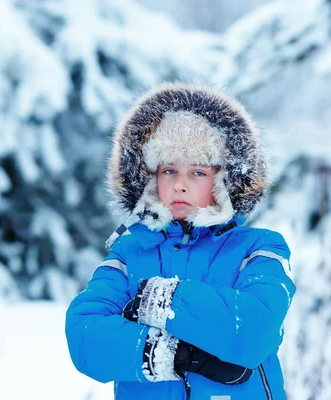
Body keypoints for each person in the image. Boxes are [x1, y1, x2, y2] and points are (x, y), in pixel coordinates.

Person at [65, 82, 296, 400]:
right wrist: (178, 354)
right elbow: (85, 337)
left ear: (224, 179)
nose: (180, 185)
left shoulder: (259, 248)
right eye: (169, 170)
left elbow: (254, 331)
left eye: (198, 172)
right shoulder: (129, 251)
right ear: (149, 178)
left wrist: (157, 299)